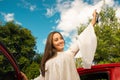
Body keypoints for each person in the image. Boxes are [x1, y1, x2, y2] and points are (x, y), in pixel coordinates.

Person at [34, 9, 98, 80]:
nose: (60, 41)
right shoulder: (48, 63)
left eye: (61, 38)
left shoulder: (68, 54)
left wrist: (94, 20)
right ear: (51, 44)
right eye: (56, 40)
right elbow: (42, 78)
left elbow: (82, 38)